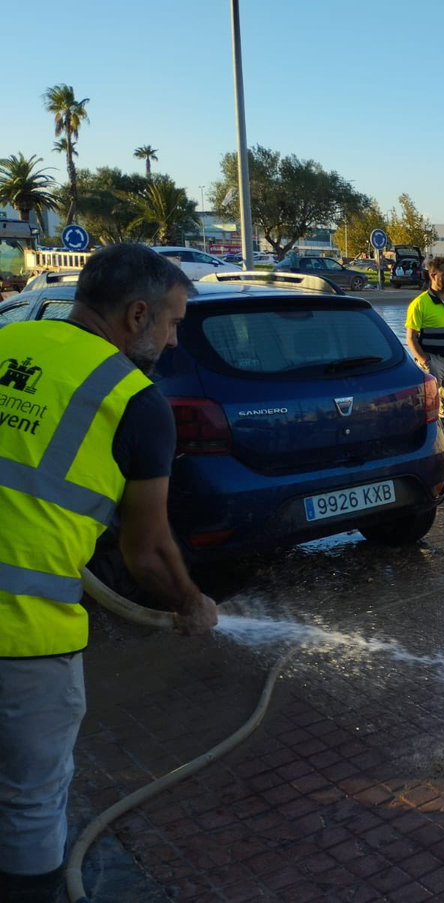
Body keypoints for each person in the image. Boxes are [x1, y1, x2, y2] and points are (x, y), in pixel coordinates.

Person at [0, 243, 219, 902]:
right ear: (135, 315)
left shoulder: (11, 342)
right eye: (174, 322)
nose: (175, 339)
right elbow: (146, 551)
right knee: (30, 807)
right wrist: (190, 602)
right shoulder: (134, 400)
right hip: (23, 639)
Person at [405, 257, 444, 438]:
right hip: (433, 361)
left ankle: (443, 448)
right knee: (428, 406)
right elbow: (411, 338)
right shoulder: (420, 303)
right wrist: (425, 362)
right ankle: (425, 446)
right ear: (433, 275)